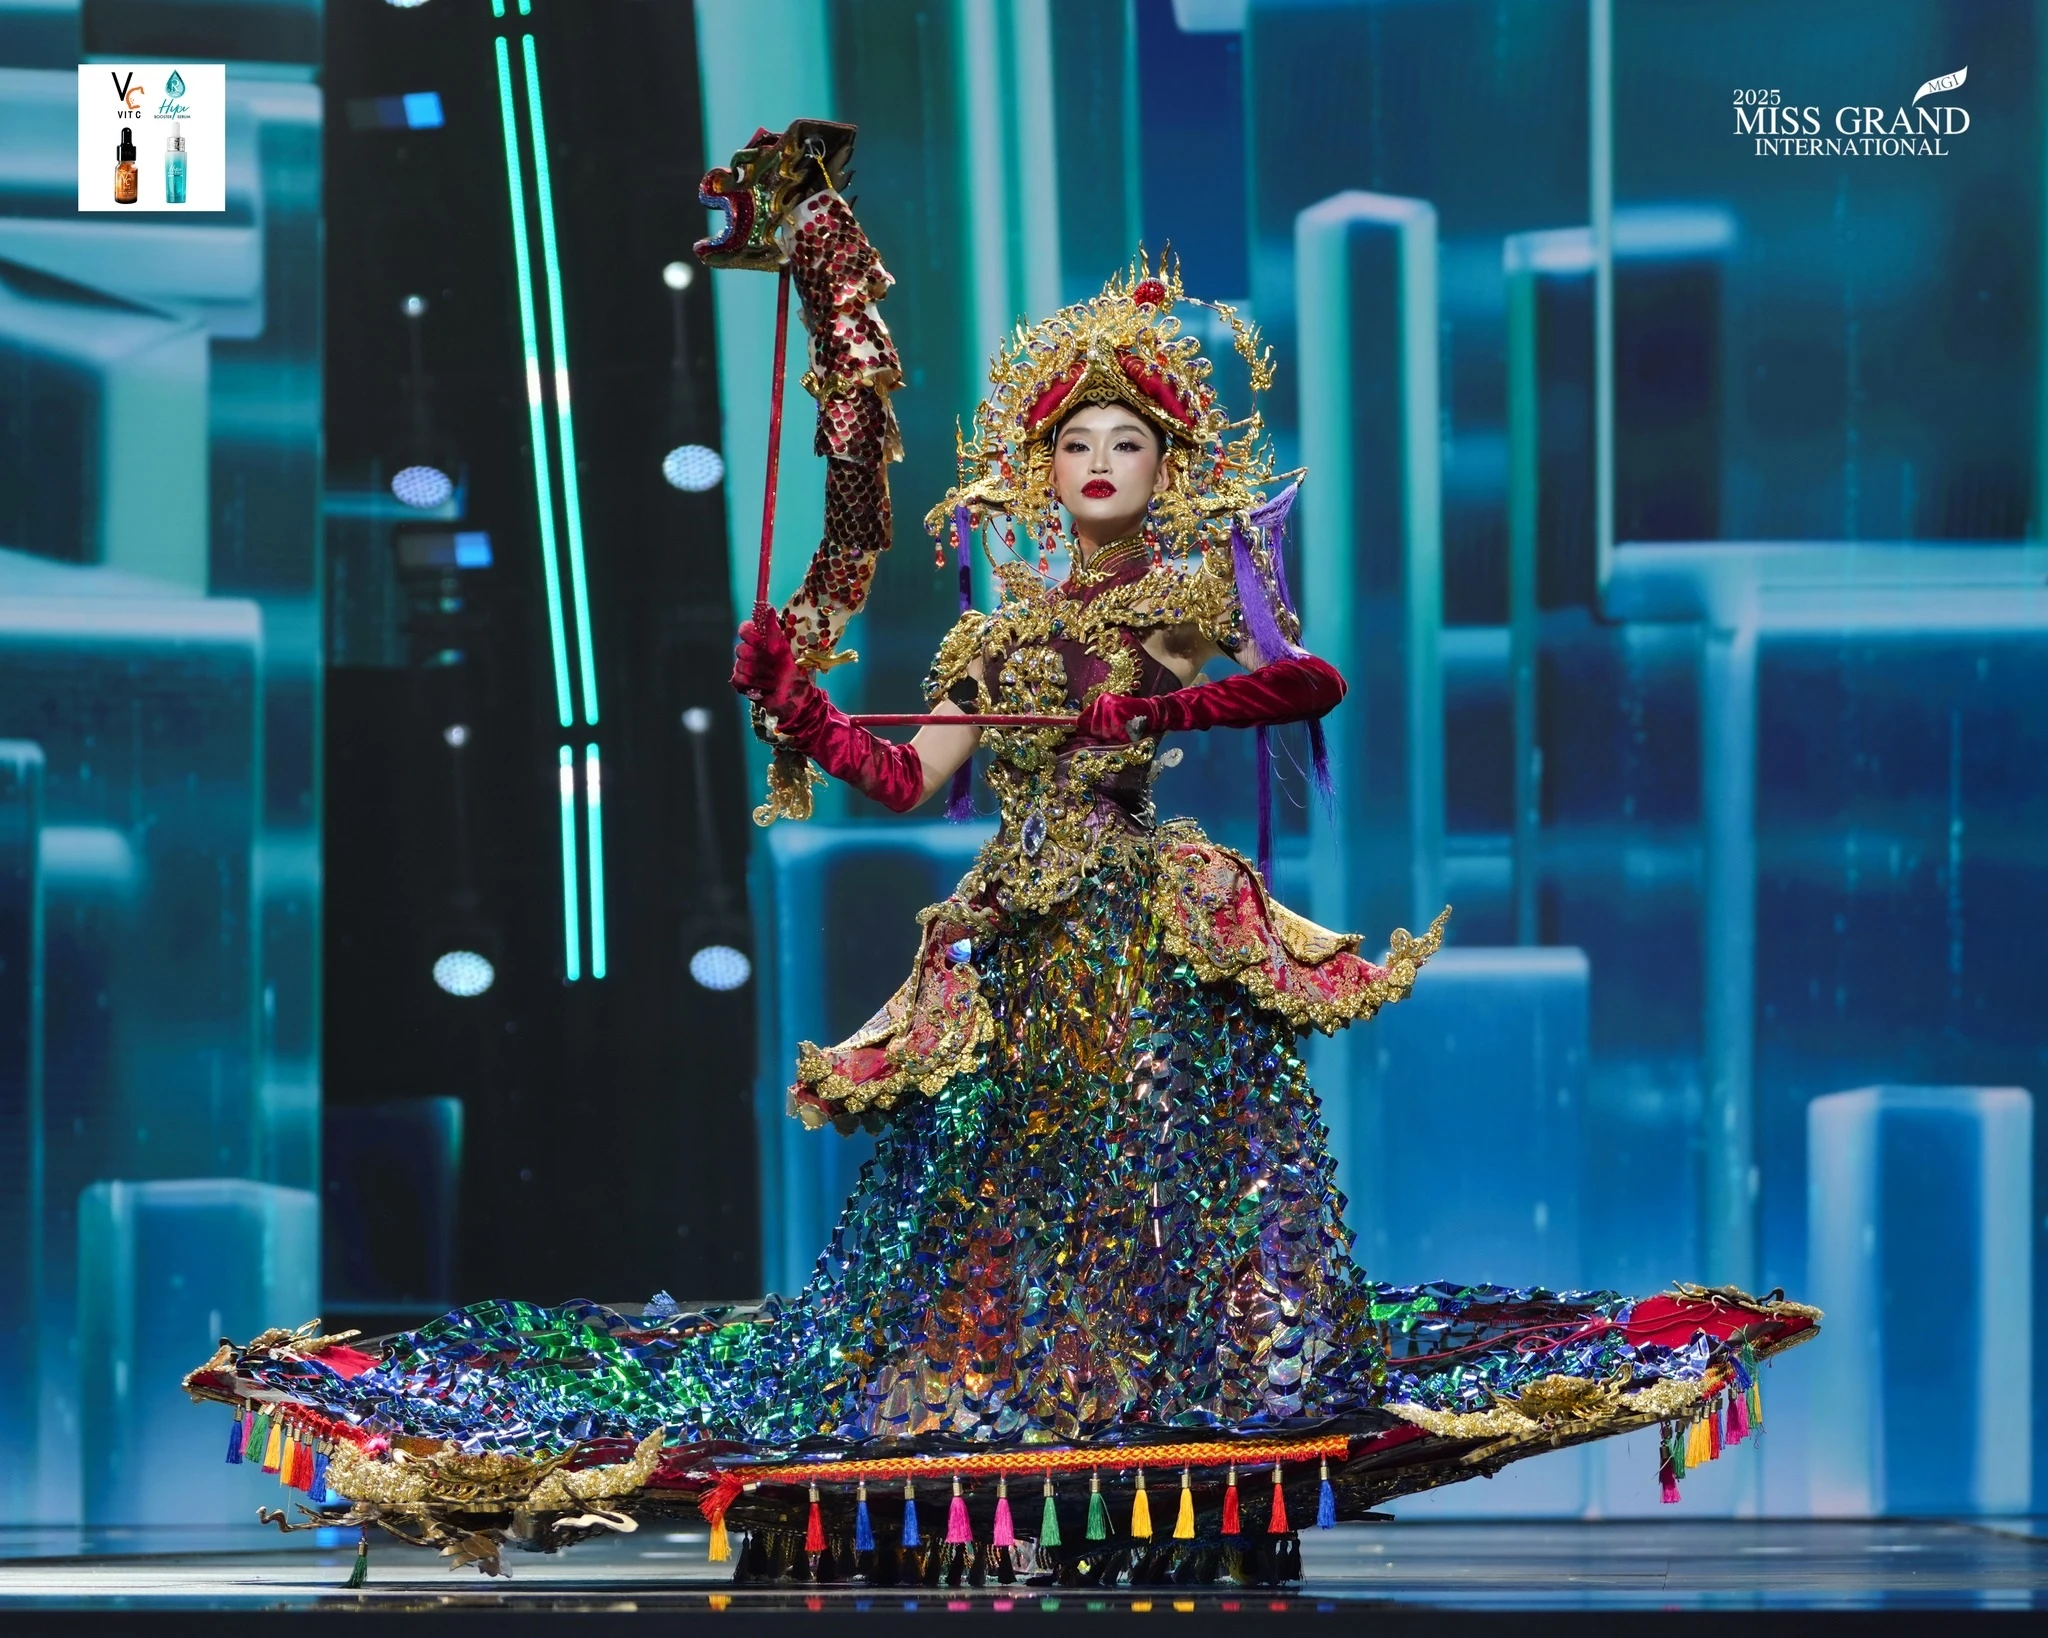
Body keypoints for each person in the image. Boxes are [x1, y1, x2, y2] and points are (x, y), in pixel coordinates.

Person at [184, 122, 1815, 1588]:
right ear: (1044, 467)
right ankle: (1012, 1415)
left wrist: (1144, 712)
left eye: (1129, 444)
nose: (1100, 464)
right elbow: (909, 776)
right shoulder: (991, 633)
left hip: (1141, 924)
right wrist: (797, 705)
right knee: (990, 1194)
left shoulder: (1179, 603)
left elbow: (1306, 683)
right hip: (1017, 934)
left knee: (1163, 1183)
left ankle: (1166, 1420)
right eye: (1078, 442)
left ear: (1167, 469)